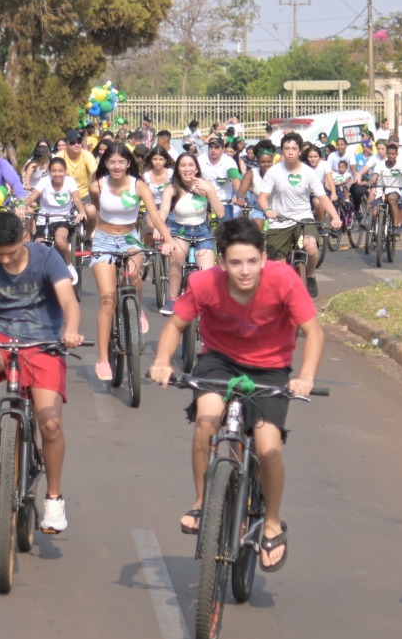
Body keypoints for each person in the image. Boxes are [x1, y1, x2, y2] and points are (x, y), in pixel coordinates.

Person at [148, 217, 323, 570]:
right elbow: (176, 324)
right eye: (235, 263)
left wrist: (304, 376)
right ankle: (202, 501)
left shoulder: (284, 279)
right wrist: (162, 361)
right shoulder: (203, 282)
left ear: (263, 256)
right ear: (222, 261)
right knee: (206, 422)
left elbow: (313, 332)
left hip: (270, 368)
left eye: (252, 261)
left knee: (267, 445)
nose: (245, 271)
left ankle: (272, 523)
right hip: (220, 362)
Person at [0, 210, 83, 531]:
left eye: (11, 253)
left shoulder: (47, 257)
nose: (4, 261)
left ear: (24, 238)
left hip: (45, 341)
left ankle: (53, 499)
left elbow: (68, 300)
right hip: (0, 337)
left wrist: (72, 329)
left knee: (50, 425)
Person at [86, 142, 170, 381]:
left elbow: (153, 214)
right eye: (111, 162)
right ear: (105, 164)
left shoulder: (138, 185)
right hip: (103, 240)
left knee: (134, 276)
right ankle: (103, 359)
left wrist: (168, 239)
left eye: (121, 162)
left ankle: (138, 308)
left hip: (130, 237)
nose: (116, 166)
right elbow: (98, 209)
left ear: (128, 164)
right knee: (108, 299)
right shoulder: (97, 186)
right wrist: (92, 236)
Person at [257, 132, 340, 299]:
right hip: (279, 221)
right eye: (286, 148)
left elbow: (323, 198)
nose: (290, 152)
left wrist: (335, 217)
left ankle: (309, 277)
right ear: (281, 151)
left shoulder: (309, 172)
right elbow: (262, 197)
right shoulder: (274, 171)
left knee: (310, 247)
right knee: (279, 269)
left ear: (300, 151)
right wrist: (267, 210)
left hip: (303, 219)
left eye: (294, 148)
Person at [163, 151, 225, 313]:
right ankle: (171, 298)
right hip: (179, 230)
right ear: (177, 170)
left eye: (191, 165)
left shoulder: (205, 185)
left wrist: (210, 192)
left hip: (202, 231)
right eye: (183, 165)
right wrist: (159, 229)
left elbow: (220, 213)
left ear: (197, 168)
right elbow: (162, 213)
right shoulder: (171, 188)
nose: (187, 169)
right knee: (176, 255)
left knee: (208, 274)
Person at [28, 156, 82, 280]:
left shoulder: (70, 181)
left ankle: (68, 265)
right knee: (38, 247)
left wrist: (82, 212)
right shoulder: (44, 181)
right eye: (54, 171)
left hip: (62, 219)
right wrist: (21, 206)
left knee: (61, 241)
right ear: (49, 171)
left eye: (60, 171)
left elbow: (77, 199)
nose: (57, 174)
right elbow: (32, 197)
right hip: (44, 218)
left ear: (65, 171)